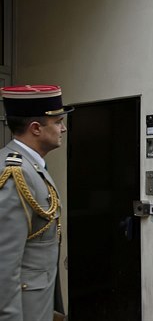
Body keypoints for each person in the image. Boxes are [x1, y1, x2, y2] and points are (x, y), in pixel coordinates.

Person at [0, 85, 74, 320]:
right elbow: (4, 262)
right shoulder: (15, 172)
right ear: (35, 129)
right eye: (57, 122)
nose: (62, 128)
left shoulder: (31, 166)